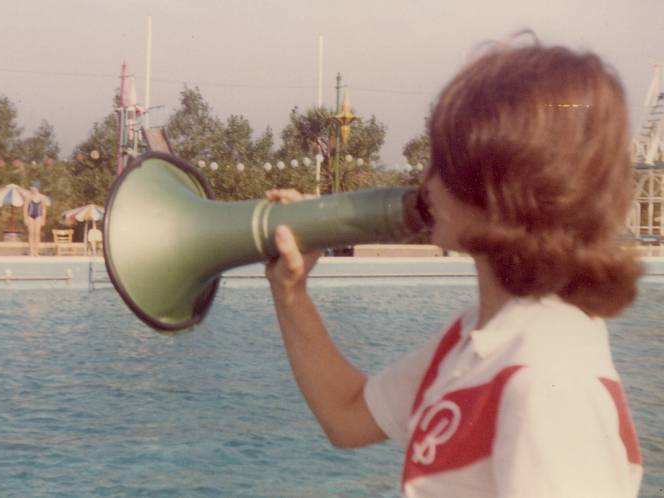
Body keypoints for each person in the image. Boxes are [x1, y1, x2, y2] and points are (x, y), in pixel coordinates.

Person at [265, 42, 643, 498]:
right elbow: (346, 418)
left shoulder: (547, 384)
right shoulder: (476, 339)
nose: (425, 185)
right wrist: (291, 292)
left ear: (498, 192)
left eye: (442, 165)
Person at [24, 180, 47, 257]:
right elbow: (25, 208)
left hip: (38, 216)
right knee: (31, 233)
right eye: (31, 187)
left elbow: (44, 209)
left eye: (33, 187)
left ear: (37, 188)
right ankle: (31, 251)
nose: (32, 189)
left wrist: (44, 219)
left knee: (37, 234)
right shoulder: (28, 197)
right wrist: (25, 218)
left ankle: (36, 252)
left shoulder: (42, 197)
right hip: (30, 216)